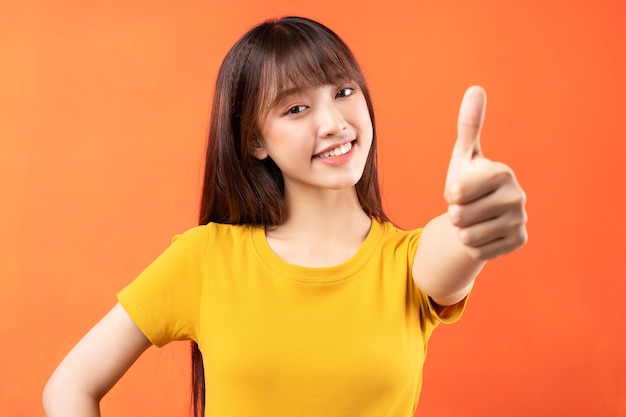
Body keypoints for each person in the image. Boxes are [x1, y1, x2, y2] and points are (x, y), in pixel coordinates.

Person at [42, 16, 527, 417]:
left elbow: (450, 251)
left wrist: (472, 220)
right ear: (255, 141)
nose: (333, 123)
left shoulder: (407, 263)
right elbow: (69, 387)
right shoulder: (205, 259)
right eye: (296, 108)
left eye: (343, 92)